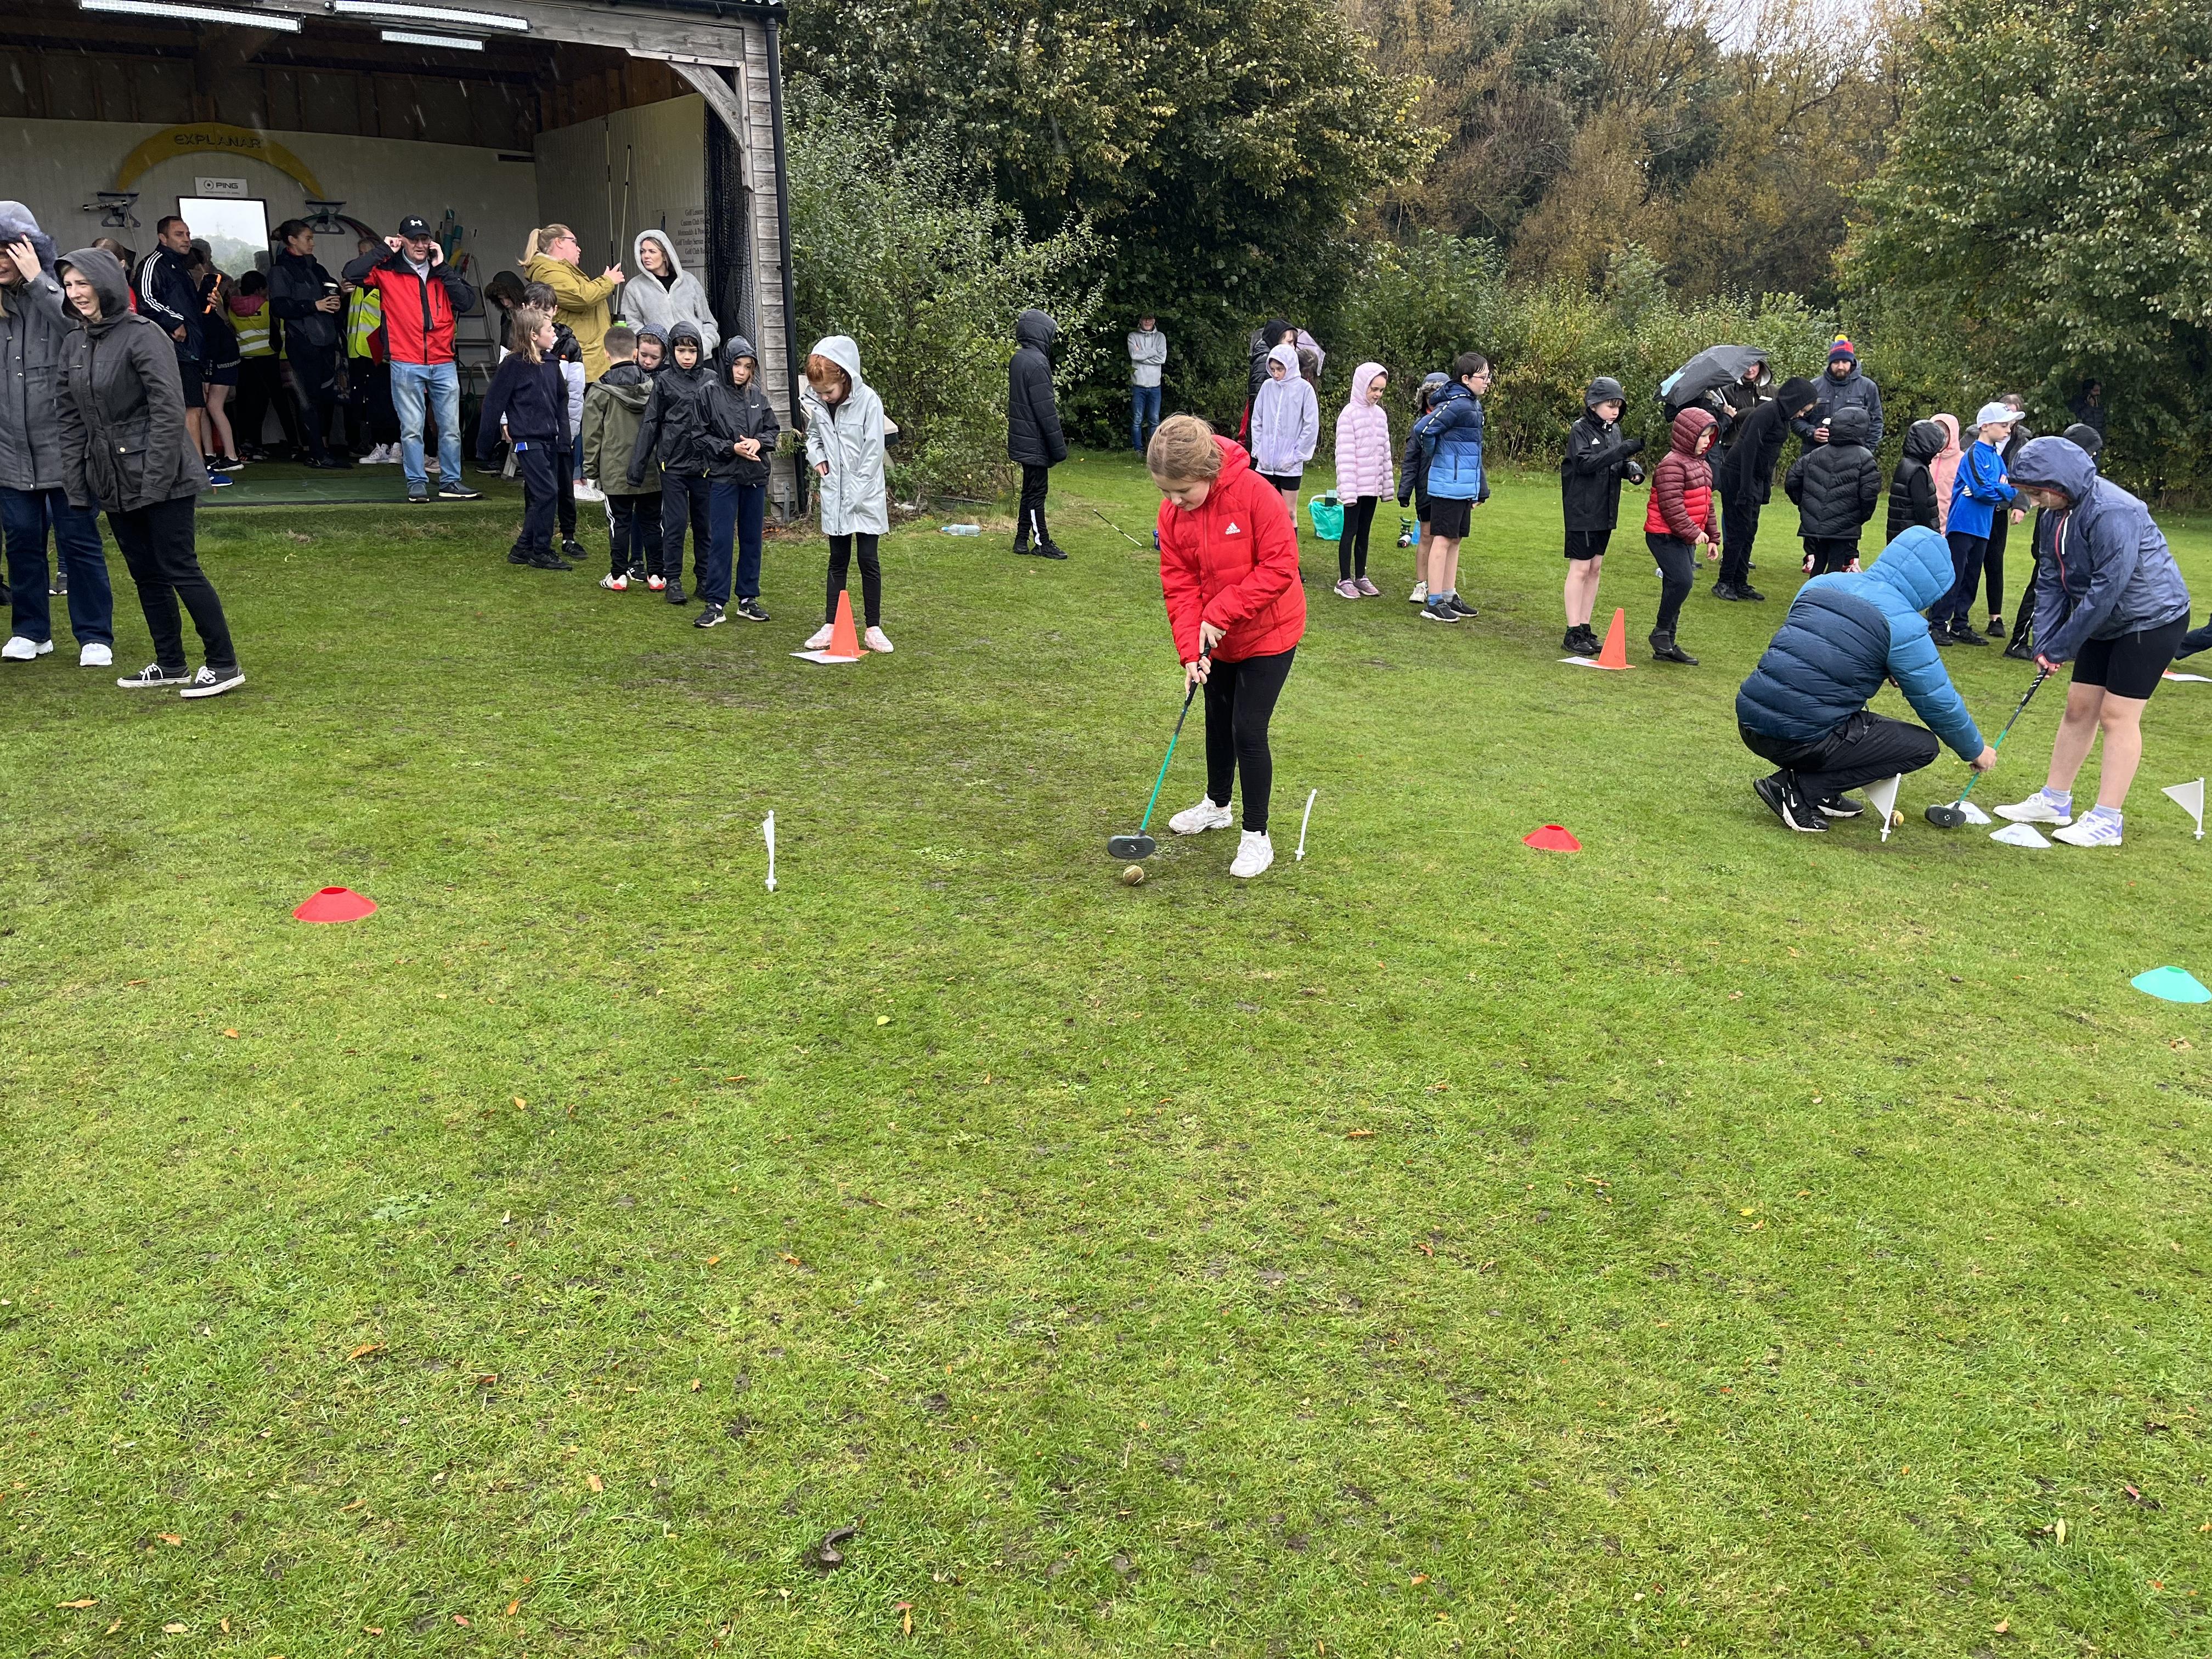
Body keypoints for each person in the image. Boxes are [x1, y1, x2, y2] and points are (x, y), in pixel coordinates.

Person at [53, 247, 241, 697]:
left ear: (106, 284)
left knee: (180, 567)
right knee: (145, 574)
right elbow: (70, 420)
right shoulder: (74, 343)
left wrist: (154, 483)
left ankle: (223, 664)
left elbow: (168, 411)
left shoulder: (144, 334)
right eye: (68, 285)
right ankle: (170, 663)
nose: (75, 293)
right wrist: (77, 486)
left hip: (164, 476)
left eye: (83, 283)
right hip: (112, 477)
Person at [1993, 437, 2193, 848]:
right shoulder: (2054, 512)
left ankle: (2107, 819)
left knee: (2117, 715)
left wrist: (2063, 646)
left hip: (2150, 619)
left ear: (2059, 483)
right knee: (2079, 707)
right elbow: (2050, 576)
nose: (2033, 500)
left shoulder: (2114, 510)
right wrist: (2045, 642)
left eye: (2036, 492)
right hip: (2101, 619)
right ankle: (2055, 800)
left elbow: (2108, 588)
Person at [1736, 527, 1992, 832]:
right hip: (1798, 737)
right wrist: (1976, 750)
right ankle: (1799, 790)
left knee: (1833, 706)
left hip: (1750, 721)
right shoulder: (1906, 626)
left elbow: (1820, 649)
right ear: (1934, 587)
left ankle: (1823, 792)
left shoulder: (1822, 583)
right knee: (1923, 747)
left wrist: (1885, 663)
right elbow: (1937, 701)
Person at [1148, 414, 1306, 881]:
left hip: (1270, 632)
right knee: (1217, 719)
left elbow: (1281, 567)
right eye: (1165, 492)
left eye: (1183, 491)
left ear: (1207, 472)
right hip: (1216, 638)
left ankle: (1257, 836)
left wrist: (1219, 614)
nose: (1175, 502)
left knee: (1247, 729)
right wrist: (1190, 650)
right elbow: (1180, 585)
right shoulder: (1173, 515)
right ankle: (1217, 806)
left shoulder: (1256, 494)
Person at [0, 217, 115, 668]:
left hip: (68, 452)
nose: (0, 261)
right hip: (10, 453)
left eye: (7, 250)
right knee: (21, 543)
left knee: (79, 542)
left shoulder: (58, 296)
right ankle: (31, 631)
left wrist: (37, 282)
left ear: (30, 250)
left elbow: (80, 328)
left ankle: (94, 635)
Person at [342, 216, 481, 504]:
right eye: (413, 239)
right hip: (406, 361)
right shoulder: (387, 270)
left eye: (424, 239)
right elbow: (351, 274)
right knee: (412, 428)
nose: (420, 244)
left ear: (431, 242)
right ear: (402, 239)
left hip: (443, 361)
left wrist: (443, 267)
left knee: (451, 428)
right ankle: (416, 483)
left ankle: (450, 482)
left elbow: (467, 302)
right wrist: (384, 250)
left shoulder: (441, 271)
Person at [800, 335, 893, 654]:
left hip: (865, 495)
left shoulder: (869, 402)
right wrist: (818, 458)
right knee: (837, 560)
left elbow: (873, 451)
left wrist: (855, 492)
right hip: (835, 494)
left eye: (828, 391)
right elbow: (814, 436)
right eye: (819, 392)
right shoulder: (819, 403)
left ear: (844, 376)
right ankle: (831, 625)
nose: (824, 397)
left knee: (868, 559)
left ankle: (873, 628)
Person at [477, 305, 570, 571]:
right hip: (527, 440)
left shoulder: (552, 363)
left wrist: (564, 439)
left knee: (540, 495)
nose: (554, 334)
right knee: (547, 493)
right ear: (533, 335)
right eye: (549, 329)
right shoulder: (513, 365)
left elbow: (561, 402)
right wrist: (483, 448)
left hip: (550, 440)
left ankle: (522, 549)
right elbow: (493, 404)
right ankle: (540, 551)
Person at [1557, 375, 1645, 655]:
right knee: (1580, 569)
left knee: (1595, 568)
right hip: (1582, 509)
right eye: (1610, 405)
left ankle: (1585, 627)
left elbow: (1616, 461)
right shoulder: (1580, 430)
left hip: (1606, 509)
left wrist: (1630, 468)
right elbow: (1584, 464)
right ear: (1593, 404)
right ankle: (1572, 631)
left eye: (1618, 406)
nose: (1615, 411)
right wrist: (1621, 451)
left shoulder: (1614, 430)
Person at [696, 335, 779, 628]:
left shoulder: (757, 397)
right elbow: (699, 436)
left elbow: (772, 431)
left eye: (748, 366)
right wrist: (731, 448)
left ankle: (748, 599)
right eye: (737, 365)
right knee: (720, 540)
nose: (742, 372)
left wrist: (758, 442)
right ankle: (716, 603)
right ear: (727, 364)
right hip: (723, 477)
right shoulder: (708, 394)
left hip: (755, 477)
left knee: (752, 539)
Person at [2003, 422, 2103, 662]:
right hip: (2052, 546)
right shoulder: (2057, 480)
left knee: (2065, 594)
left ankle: (2061, 643)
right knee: (2041, 590)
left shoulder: (2075, 481)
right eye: (2091, 452)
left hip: (2068, 546)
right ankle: (2019, 641)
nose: (2093, 457)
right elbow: (2048, 516)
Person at [1712, 375, 1817, 602]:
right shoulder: (1767, 413)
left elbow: (1769, 456)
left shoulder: (1781, 416)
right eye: (1803, 410)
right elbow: (1749, 450)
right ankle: (1724, 582)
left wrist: (1764, 487)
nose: (1802, 415)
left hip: (1755, 478)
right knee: (1738, 531)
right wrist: (1745, 489)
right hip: (1738, 475)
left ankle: (1740, 582)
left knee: (1750, 530)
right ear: (1795, 401)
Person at [629, 320, 712, 603]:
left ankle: (704, 579)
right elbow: (651, 423)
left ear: (700, 351)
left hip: (704, 467)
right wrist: (637, 468)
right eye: (681, 350)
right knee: (674, 525)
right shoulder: (664, 381)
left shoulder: (711, 379)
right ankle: (673, 580)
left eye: (692, 351)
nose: (687, 357)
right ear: (672, 352)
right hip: (673, 466)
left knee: (704, 526)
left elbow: (725, 420)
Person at [1927, 401, 2021, 647]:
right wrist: (1998, 489)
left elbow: (2011, 490)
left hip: (1983, 525)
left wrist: (1999, 489)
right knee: (1954, 575)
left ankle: (1960, 624)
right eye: (2003, 425)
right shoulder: (1973, 454)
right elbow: (1982, 490)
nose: (2008, 430)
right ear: (1986, 426)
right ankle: (1938, 624)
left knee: (1972, 577)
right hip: (1963, 523)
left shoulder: (1996, 457)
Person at [579, 325, 659, 590]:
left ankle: (618, 576)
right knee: (652, 522)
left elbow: (592, 435)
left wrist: (591, 471)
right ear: (636, 353)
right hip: (649, 467)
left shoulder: (599, 391)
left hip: (615, 470)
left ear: (606, 353)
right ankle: (657, 575)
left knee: (619, 522)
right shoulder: (653, 387)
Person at [1413, 353, 1491, 624]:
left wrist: (1478, 488)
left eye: (1489, 377)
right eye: (1483, 377)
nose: (1487, 382)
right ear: (1466, 379)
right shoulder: (1456, 405)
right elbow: (1423, 431)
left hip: (1464, 486)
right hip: (1448, 485)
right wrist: (1439, 454)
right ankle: (1434, 602)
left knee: (1455, 539)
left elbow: (1474, 452)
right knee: (1443, 540)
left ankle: (1448, 594)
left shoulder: (1473, 405)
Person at [1641, 405, 1719, 663]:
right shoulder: (1671, 464)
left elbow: (1707, 504)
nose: (1707, 441)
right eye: (1703, 436)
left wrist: (1713, 537)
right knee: (1683, 581)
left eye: (1710, 436)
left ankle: (1666, 646)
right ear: (1688, 435)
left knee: (1676, 585)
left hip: (1686, 536)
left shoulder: (1703, 465)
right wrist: (1693, 532)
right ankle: (1661, 633)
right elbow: (1671, 506)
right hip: (1663, 535)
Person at [268, 219, 347, 468]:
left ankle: (323, 449)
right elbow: (279, 307)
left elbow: (330, 293)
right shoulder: (280, 271)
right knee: (309, 399)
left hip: (327, 341)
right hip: (302, 342)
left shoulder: (317, 268)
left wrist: (339, 297)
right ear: (292, 240)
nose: (312, 243)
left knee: (326, 397)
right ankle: (316, 453)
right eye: (308, 238)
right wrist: (314, 306)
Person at [137, 215, 208, 479]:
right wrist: (174, 322)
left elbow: (188, 308)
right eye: (179, 234)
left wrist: (206, 301)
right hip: (169, 350)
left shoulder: (181, 268)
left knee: (194, 408)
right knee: (183, 409)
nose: (187, 239)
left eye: (188, 234)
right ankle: (194, 470)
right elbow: (146, 299)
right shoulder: (153, 263)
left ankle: (197, 468)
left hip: (190, 349)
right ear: (163, 238)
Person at [1784, 402, 1881, 575]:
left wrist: (1806, 505)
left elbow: (1792, 480)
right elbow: (1869, 495)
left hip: (1818, 520)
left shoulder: (1814, 455)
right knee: (1835, 565)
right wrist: (1860, 517)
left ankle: (1812, 591)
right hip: (1846, 524)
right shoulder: (1865, 458)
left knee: (1819, 561)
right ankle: (1825, 592)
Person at [520, 224, 624, 380]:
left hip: (590, 355)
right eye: (574, 242)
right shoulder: (548, 271)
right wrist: (607, 281)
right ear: (559, 242)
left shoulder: (561, 271)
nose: (579, 249)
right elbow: (581, 298)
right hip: (583, 357)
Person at [1007, 308, 1068, 559]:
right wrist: (1059, 448)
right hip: (1034, 440)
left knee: (1029, 490)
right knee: (1037, 493)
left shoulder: (1019, 359)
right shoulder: (1038, 363)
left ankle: (1021, 539)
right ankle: (1042, 542)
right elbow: (1046, 411)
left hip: (1023, 436)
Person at [1331, 362, 1393, 599]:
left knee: (1365, 531)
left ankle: (1361, 576)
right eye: (1373, 389)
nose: (1377, 394)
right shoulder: (1348, 415)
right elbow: (1345, 456)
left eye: (1381, 390)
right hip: (1355, 487)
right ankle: (1344, 579)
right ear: (1361, 385)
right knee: (1350, 530)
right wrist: (1348, 491)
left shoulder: (1380, 415)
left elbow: (1385, 454)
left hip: (1372, 487)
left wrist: (1385, 486)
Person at [1980, 394, 2034, 637]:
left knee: (1995, 561)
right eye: (2006, 414)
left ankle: (1996, 617)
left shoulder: (2022, 443)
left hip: (1999, 509)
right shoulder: (1975, 438)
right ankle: (1952, 615)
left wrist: (2020, 505)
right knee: (1965, 561)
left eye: (2014, 415)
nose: (2010, 421)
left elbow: (2023, 476)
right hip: (1975, 509)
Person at [617, 230, 717, 357]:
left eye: (652, 251)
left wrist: (706, 343)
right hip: (663, 361)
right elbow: (631, 324)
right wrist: (655, 347)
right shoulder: (634, 287)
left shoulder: (689, 281)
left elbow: (707, 320)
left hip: (697, 357)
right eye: (642, 251)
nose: (646, 256)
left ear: (665, 256)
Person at [1249, 341, 1317, 526]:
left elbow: (1311, 426)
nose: (1276, 374)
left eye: (1280, 369)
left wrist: (1297, 456)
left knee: (1289, 512)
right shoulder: (1267, 387)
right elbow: (1257, 420)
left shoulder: (1304, 389)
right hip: (1266, 463)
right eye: (1273, 369)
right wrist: (1259, 450)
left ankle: (1290, 546)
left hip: (1290, 464)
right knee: (1265, 512)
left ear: (1290, 366)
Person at [227, 271, 292, 459]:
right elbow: (277, 333)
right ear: (259, 290)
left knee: (249, 404)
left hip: (244, 361)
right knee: (280, 403)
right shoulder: (268, 306)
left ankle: (251, 445)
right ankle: (296, 444)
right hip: (268, 359)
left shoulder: (232, 307)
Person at [1398, 371, 1448, 605]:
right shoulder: (1419, 426)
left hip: (1449, 488)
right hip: (1426, 489)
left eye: (1439, 394)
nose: (1434, 398)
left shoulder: (1454, 423)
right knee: (1426, 536)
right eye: (1430, 394)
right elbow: (1411, 461)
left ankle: (1445, 587)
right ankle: (1421, 584)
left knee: (1446, 538)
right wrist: (1405, 490)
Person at [1793, 337, 1884, 454]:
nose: (1840, 366)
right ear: (1830, 363)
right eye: (1836, 362)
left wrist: (1866, 451)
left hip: (1853, 457)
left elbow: (1876, 423)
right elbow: (1796, 420)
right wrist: (1812, 433)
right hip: (1815, 455)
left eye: (1845, 362)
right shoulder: (1813, 387)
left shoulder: (1868, 387)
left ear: (1852, 362)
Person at [1886, 419, 1948, 542]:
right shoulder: (1918, 471)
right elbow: (1921, 507)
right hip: (1913, 538)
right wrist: (1930, 534)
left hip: (1901, 533)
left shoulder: (1905, 464)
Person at [1127, 314, 1166, 455]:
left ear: (1154, 321)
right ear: (1140, 320)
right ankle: (1138, 450)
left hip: (1155, 386)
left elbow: (1162, 358)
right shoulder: (1133, 336)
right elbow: (1134, 356)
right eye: (1145, 319)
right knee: (1137, 419)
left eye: (1150, 319)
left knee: (1154, 420)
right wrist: (1154, 352)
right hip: (1138, 385)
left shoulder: (1160, 337)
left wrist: (1142, 356)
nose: (1147, 321)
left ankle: (1153, 451)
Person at [1926, 413, 1962, 534]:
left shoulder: (1962, 461)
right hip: (1924, 524)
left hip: (1951, 527)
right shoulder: (1925, 458)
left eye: (1943, 436)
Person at [2068, 380, 2108, 445]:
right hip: (2081, 441)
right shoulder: (2077, 403)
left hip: (2096, 441)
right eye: (2095, 391)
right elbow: (2076, 419)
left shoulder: (2099, 405)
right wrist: (2089, 407)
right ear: (2088, 391)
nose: (2098, 393)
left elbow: (2102, 424)